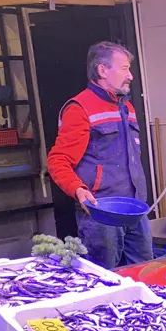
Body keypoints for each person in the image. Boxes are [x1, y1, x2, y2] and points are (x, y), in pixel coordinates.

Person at [47, 41, 152, 268]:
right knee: (105, 277)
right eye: (124, 69)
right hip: (101, 214)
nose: (131, 76)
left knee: (144, 274)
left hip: (134, 209)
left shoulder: (127, 108)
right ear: (102, 70)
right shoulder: (79, 108)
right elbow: (58, 161)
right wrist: (78, 190)